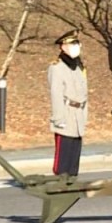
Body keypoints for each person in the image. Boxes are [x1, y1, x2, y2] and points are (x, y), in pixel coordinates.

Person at [49, 30, 88, 177]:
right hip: (66, 113)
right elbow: (56, 94)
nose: (76, 47)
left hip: (78, 114)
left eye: (77, 43)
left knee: (74, 156)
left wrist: (84, 114)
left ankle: (72, 181)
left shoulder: (78, 67)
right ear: (63, 46)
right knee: (63, 156)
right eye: (72, 44)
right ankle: (61, 183)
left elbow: (84, 94)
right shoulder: (57, 67)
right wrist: (59, 118)